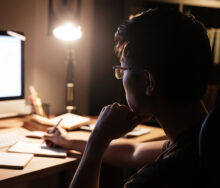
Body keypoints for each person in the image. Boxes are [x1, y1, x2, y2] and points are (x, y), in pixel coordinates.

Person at [44, 8, 213, 187]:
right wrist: (69, 140)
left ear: (149, 81)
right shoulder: (202, 141)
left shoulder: (161, 176)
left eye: (123, 69)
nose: (121, 78)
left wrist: (97, 142)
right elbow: (134, 151)